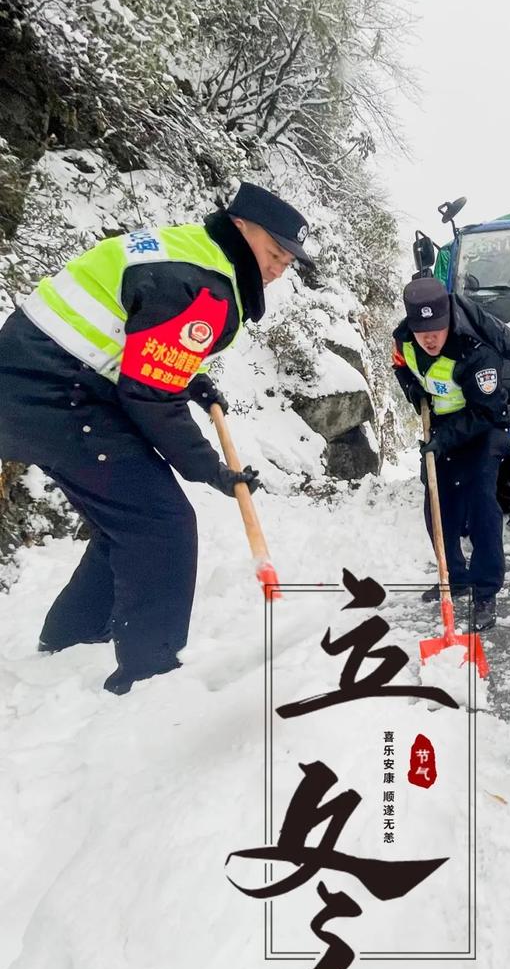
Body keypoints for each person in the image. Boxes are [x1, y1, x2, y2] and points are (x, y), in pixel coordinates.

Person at [0, 182, 313, 693]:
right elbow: (150, 396)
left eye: (289, 261)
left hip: (34, 378)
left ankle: (69, 641)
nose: (279, 268)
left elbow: (142, 333)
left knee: (125, 520)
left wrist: (190, 377)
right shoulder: (206, 286)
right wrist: (209, 468)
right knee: (161, 526)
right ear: (240, 228)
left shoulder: (187, 248)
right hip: (59, 392)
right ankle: (149, 681)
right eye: (274, 252)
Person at [392, 276, 510, 632]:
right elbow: (402, 368)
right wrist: (416, 395)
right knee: (438, 506)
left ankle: (484, 591)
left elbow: (486, 411)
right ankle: (455, 577)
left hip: (484, 426)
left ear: (449, 318)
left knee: (481, 504)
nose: (430, 338)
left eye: (437, 329)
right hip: (442, 426)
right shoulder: (404, 340)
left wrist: (444, 438)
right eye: (422, 332)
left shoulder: (477, 349)